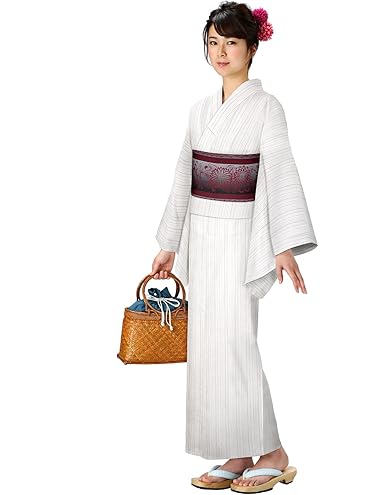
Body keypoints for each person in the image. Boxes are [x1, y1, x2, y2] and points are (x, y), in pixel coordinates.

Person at [150, 2, 318, 492]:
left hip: (242, 235)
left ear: (252, 48)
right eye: (213, 43)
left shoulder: (267, 108)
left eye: (231, 42)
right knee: (207, 349)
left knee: (237, 345)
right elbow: (184, 176)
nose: (220, 52)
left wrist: (282, 244)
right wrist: (169, 243)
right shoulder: (199, 110)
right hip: (201, 236)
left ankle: (274, 451)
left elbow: (279, 170)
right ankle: (239, 451)